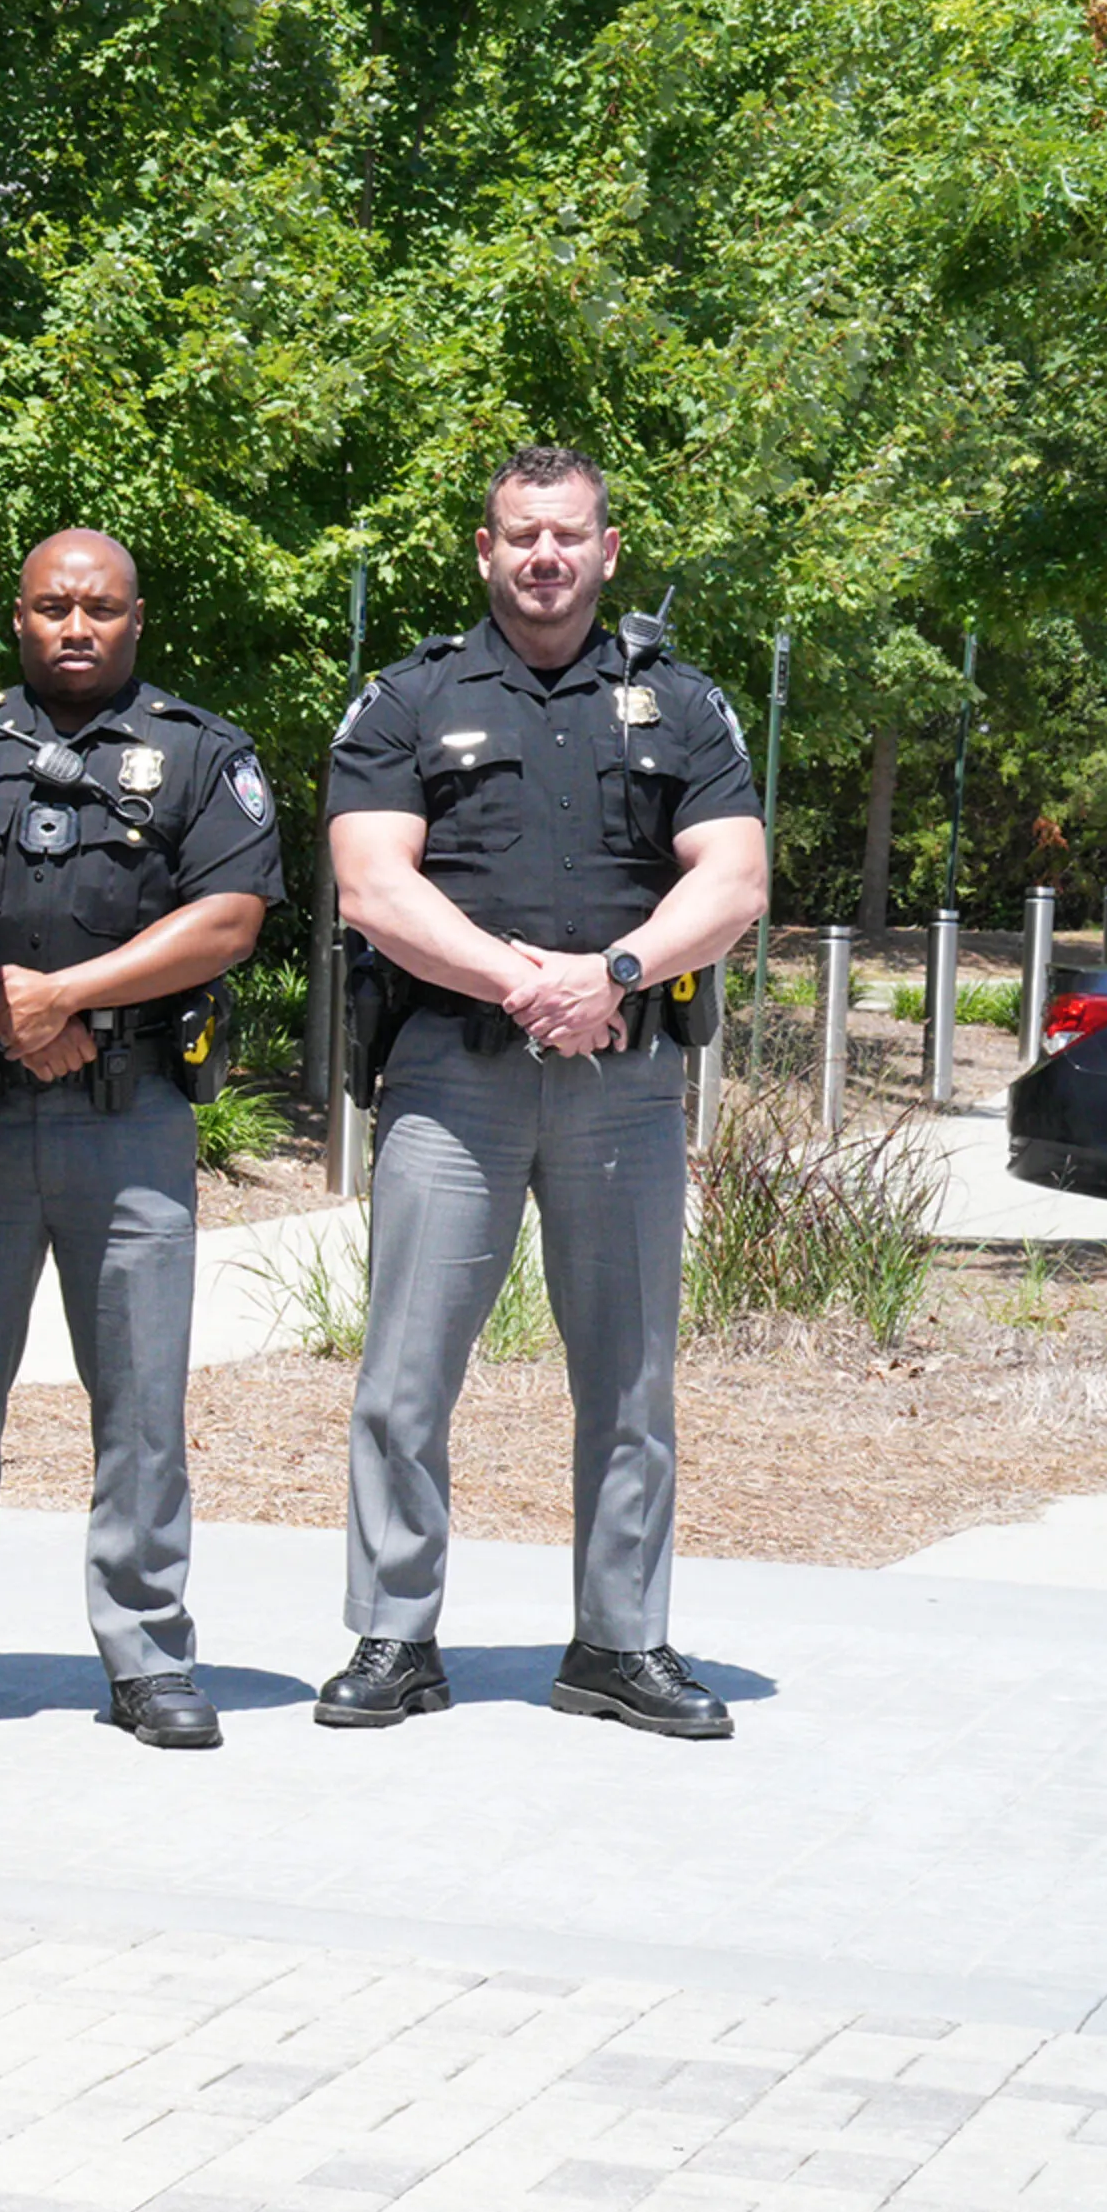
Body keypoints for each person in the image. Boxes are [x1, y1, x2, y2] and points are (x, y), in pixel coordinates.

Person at [319, 447, 766, 1738]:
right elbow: (372, 884)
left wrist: (613, 972)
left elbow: (731, 880)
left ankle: (619, 1644)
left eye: (567, 534)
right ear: (484, 547)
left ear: (608, 548)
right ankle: (394, 1636)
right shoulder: (406, 698)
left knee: (630, 1378)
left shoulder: (681, 705)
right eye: (520, 535)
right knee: (406, 1371)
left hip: (621, 1088)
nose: (544, 557)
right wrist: (528, 983)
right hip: (452, 1082)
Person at [0, 529, 282, 1746]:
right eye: (52, 607)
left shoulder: (196, 749)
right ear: (15, 618)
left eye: (100, 609)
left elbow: (225, 919)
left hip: (127, 1119)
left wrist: (69, 997)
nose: (76, 627)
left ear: (136, 619)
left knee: (137, 1399)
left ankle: (144, 1654)